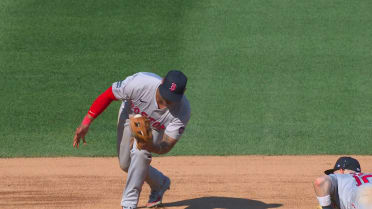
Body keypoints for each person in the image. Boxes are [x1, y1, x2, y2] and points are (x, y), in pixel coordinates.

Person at [73, 70, 191, 209]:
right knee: (126, 164)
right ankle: (160, 183)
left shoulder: (183, 110)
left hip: (155, 128)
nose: (167, 101)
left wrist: (151, 146)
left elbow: (166, 145)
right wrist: (86, 122)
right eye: (165, 94)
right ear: (162, 81)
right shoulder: (139, 83)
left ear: (184, 92)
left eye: (172, 98)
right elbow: (109, 94)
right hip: (130, 116)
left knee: (140, 153)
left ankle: (129, 204)